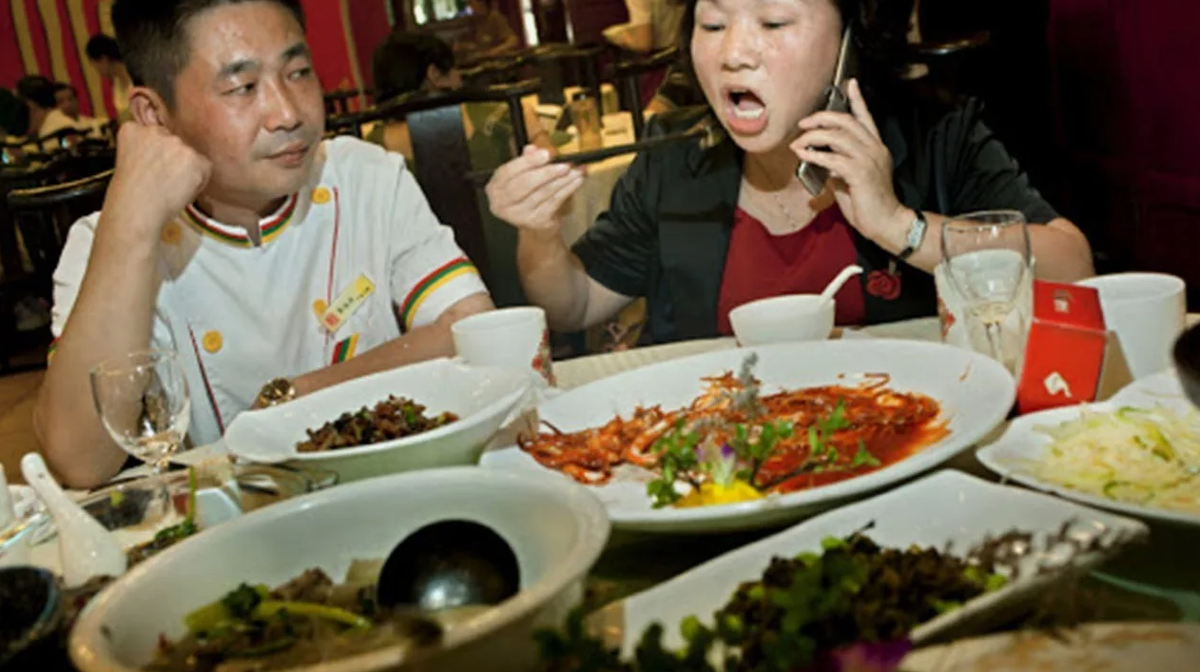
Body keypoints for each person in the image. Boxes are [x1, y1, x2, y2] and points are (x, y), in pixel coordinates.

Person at [38, 0, 494, 488]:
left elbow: (474, 326)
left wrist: (295, 397)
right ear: (154, 114)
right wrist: (131, 227)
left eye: (298, 72)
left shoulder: (365, 178)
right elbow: (78, 461)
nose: (288, 113)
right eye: (243, 87)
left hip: (398, 484)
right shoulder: (107, 242)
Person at [486, 0, 1093, 345]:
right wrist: (539, 233)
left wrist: (899, 225)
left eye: (773, 23)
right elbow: (573, 306)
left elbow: (1072, 266)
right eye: (713, 25)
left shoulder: (936, 134)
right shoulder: (674, 156)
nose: (733, 53)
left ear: (849, 42)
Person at [368, 31, 550, 166]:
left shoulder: (372, 147)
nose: (460, 76)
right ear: (435, 74)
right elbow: (550, 170)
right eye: (454, 68)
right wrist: (535, 130)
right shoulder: (501, 117)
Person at [86, 34, 134, 121]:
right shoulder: (117, 82)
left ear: (103, 59)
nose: (97, 71)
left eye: (95, 66)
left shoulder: (135, 74)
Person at [453, 0, 519, 60]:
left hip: (496, 62)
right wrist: (462, 47)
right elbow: (474, 45)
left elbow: (513, 40)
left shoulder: (494, 17)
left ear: (481, 3)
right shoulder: (472, 22)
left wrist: (495, 51)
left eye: (471, 3)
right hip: (480, 62)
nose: (470, 7)